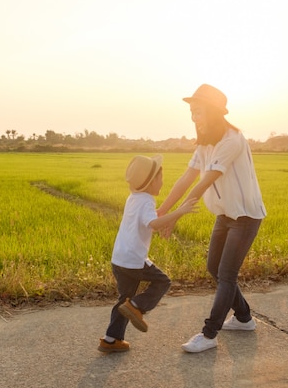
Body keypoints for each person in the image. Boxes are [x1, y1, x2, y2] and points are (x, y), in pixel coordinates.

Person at [157, 84, 267, 353]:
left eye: (199, 112)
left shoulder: (232, 140)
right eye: (192, 113)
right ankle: (244, 319)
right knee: (214, 269)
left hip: (245, 216)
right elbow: (186, 179)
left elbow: (205, 181)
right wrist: (162, 212)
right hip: (224, 214)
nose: (195, 118)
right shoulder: (205, 144)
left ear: (215, 113)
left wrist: (176, 216)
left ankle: (209, 334)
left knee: (227, 275)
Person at [98, 154, 198, 353]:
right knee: (163, 281)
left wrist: (161, 219)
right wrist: (179, 212)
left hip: (119, 259)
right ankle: (138, 306)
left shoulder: (134, 198)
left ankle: (111, 339)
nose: (163, 182)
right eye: (161, 178)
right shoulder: (147, 201)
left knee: (123, 299)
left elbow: (147, 223)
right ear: (151, 182)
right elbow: (152, 223)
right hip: (134, 259)